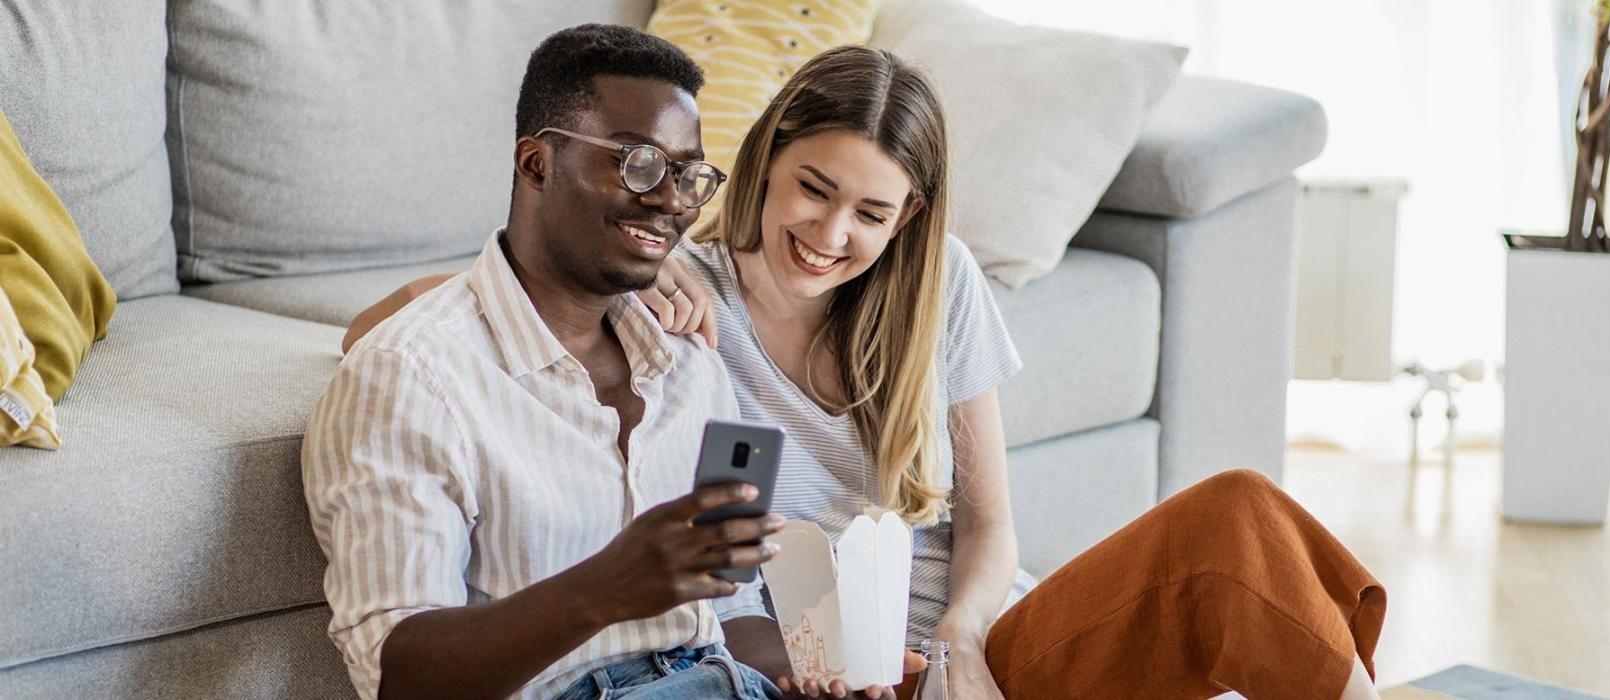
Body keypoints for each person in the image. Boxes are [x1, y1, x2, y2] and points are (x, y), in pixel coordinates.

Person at [346, 45, 1387, 700]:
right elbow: (420, 319)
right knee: (1239, 559)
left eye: (872, 214)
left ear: (910, 221)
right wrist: (643, 289)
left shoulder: (944, 290)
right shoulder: (675, 290)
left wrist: (964, 644)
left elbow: (989, 527)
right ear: (770, 155)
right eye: (814, 188)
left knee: (1240, 526)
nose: (831, 233)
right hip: (839, 667)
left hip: (983, 650)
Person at [304, 25, 842, 700]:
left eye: (687, 174)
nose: (672, 200)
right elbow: (397, 675)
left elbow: (729, 612)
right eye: (638, 163)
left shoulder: (690, 359)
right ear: (537, 164)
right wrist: (602, 589)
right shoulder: (410, 377)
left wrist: (817, 672)